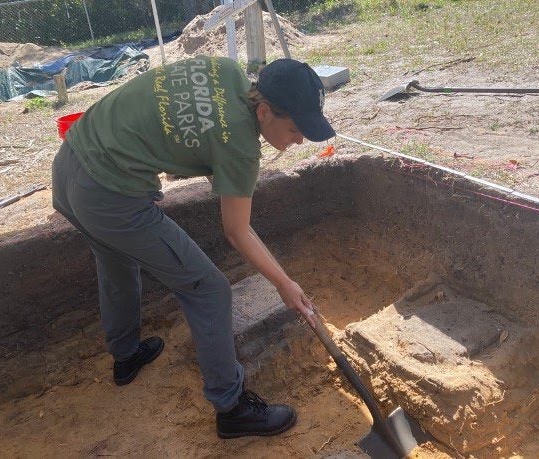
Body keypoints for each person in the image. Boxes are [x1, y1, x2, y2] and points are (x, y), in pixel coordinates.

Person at [51, 56, 335, 439]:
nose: (299, 140)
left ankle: (125, 355)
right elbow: (237, 231)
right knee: (209, 289)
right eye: (296, 129)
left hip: (71, 163)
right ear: (264, 111)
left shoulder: (226, 71)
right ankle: (232, 409)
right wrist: (284, 283)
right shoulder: (240, 146)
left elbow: (168, 115)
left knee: (114, 257)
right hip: (108, 192)